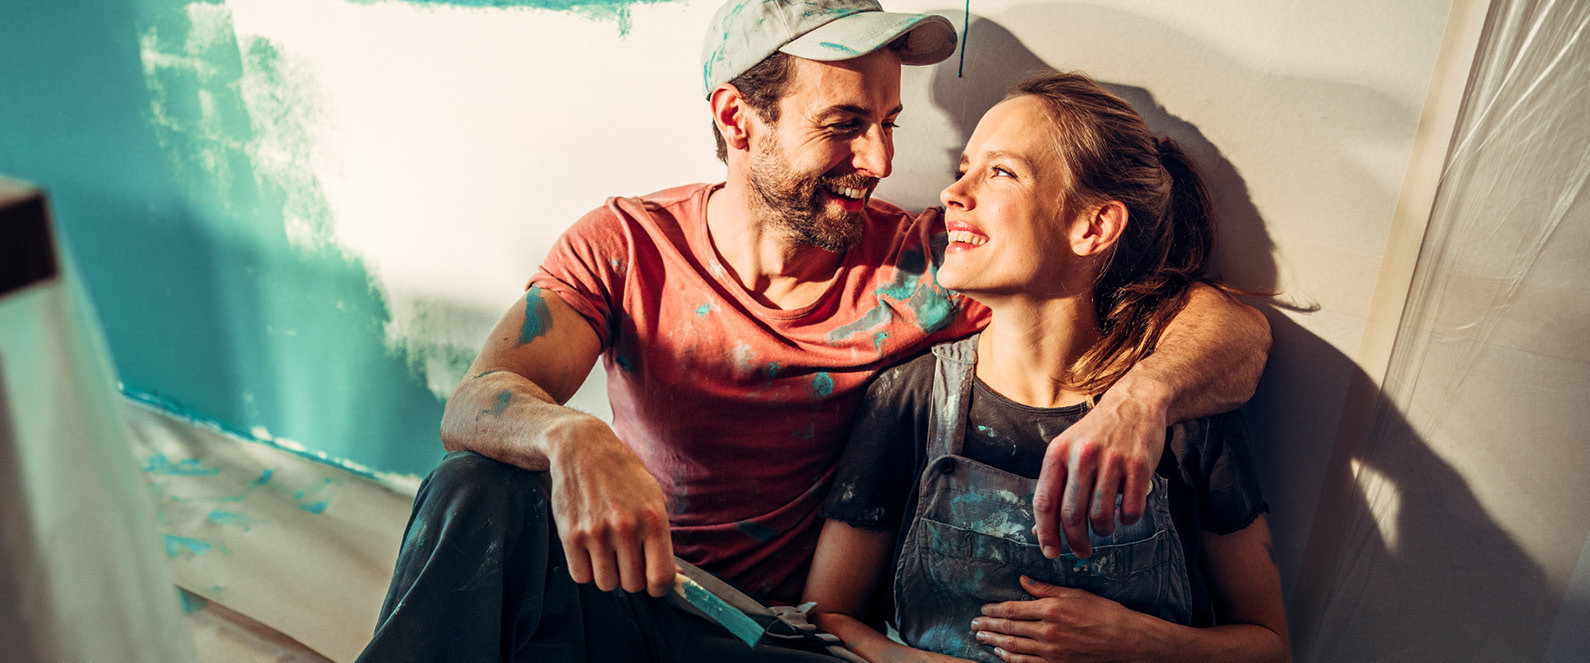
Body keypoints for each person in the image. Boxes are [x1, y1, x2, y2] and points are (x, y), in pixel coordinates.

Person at [357, 0, 1272, 659]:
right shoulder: (626, 245)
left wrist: (1144, 397)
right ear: (737, 118)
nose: (878, 161)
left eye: (887, 124)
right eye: (844, 126)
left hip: (776, 636)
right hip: (632, 594)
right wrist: (568, 433)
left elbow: (1229, 327)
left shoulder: (925, 266)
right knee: (476, 489)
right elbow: (480, 400)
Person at [803, 72, 1289, 663]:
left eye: (1000, 172)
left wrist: (1140, 643)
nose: (954, 192)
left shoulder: (1183, 411)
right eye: (964, 168)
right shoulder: (911, 399)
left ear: (1093, 227)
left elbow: (1269, 648)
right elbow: (826, 619)